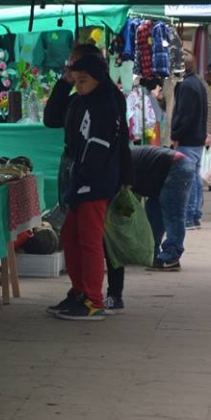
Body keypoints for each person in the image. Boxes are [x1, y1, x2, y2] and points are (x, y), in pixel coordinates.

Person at [44, 45, 132, 317]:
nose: (76, 82)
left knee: (92, 240)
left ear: (95, 74)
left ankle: (95, 298)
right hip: (79, 179)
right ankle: (80, 291)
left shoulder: (107, 102)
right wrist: (64, 83)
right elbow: (51, 119)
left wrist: (87, 180)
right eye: (73, 75)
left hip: (96, 181)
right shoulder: (79, 100)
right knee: (72, 236)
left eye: (81, 77)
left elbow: (103, 146)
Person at [128, 146, 198, 273]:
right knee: (153, 213)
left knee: (173, 213)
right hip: (164, 174)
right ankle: (152, 253)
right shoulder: (123, 160)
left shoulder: (121, 165)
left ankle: (171, 256)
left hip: (176, 167)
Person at [171, 49, 210, 230]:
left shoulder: (186, 86)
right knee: (194, 177)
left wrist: (175, 135)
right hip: (197, 137)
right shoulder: (198, 83)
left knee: (188, 179)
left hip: (188, 138)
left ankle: (189, 216)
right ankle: (194, 215)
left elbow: (183, 114)